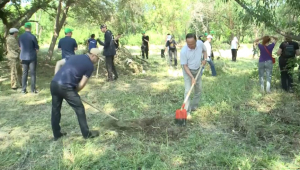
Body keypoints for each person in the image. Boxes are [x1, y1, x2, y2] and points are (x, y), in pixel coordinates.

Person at [50, 48, 101, 141]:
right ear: (93, 56)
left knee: (55, 110)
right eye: (97, 58)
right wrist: (74, 92)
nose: (97, 61)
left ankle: (56, 134)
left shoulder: (74, 56)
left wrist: (56, 78)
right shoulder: (90, 66)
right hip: (66, 87)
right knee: (79, 108)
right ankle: (86, 134)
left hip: (54, 84)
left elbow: (58, 63)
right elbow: (81, 84)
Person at [180, 33, 207, 119]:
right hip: (188, 70)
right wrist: (192, 77)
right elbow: (185, 66)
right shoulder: (184, 51)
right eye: (188, 44)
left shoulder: (200, 43)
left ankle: (194, 106)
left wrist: (204, 59)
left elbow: (205, 51)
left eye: (192, 43)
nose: (190, 45)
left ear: (196, 41)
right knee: (188, 90)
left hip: (198, 69)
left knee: (198, 89)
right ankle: (187, 112)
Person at [19, 22, 39, 94]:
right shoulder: (32, 36)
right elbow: (37, 48)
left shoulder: (21, 36)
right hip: (32, 57)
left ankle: (23, 90)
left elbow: (20, 47)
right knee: (33, 73)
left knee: (24, 73)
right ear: (30, 28)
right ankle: (33, 90)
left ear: (25, 28)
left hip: (23, 57)